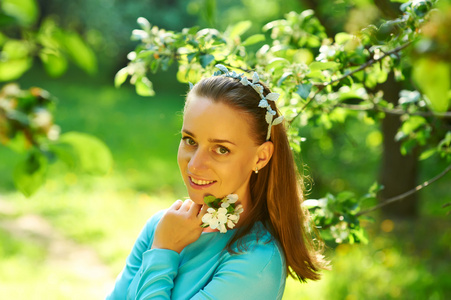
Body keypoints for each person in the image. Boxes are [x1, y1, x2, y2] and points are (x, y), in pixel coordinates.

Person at [106, 65, 327, 299]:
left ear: (260, 157)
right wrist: (162, 242)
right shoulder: (161, 227)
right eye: (190, 140)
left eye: (221, 149)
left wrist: (163, 251)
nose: (194, 165)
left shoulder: (257, 261)